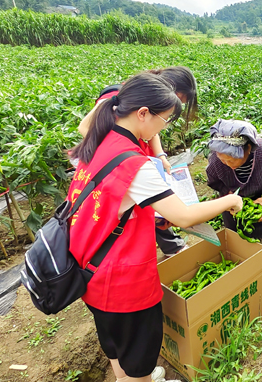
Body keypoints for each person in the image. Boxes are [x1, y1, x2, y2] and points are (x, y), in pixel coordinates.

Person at [68, 73, 243, 382]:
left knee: (114, 341)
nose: (163, 128)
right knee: (139, 347)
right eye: (164, 120)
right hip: (122, 282)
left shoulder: (101, 140)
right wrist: (230, 200)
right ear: (143, 113)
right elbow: (183, 215)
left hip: (89, 269)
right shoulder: (134, 163)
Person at [78, 66, 198, 257]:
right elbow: (85, 128)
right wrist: (121, 159)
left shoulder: (148, 110)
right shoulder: (119, 96)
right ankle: (171, 246)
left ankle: (171, 245)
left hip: (132, 158)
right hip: (117, 162)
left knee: (152, 204)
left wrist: (160, 156)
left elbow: (153, 130)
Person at [206, 119, 262, 247]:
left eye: (232, 160)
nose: (228, 165)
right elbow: (215, 182)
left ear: (249, 148)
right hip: (233, 204)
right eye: (223, 160)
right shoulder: (215, 162)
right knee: (237, 241)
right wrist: (228, 197)